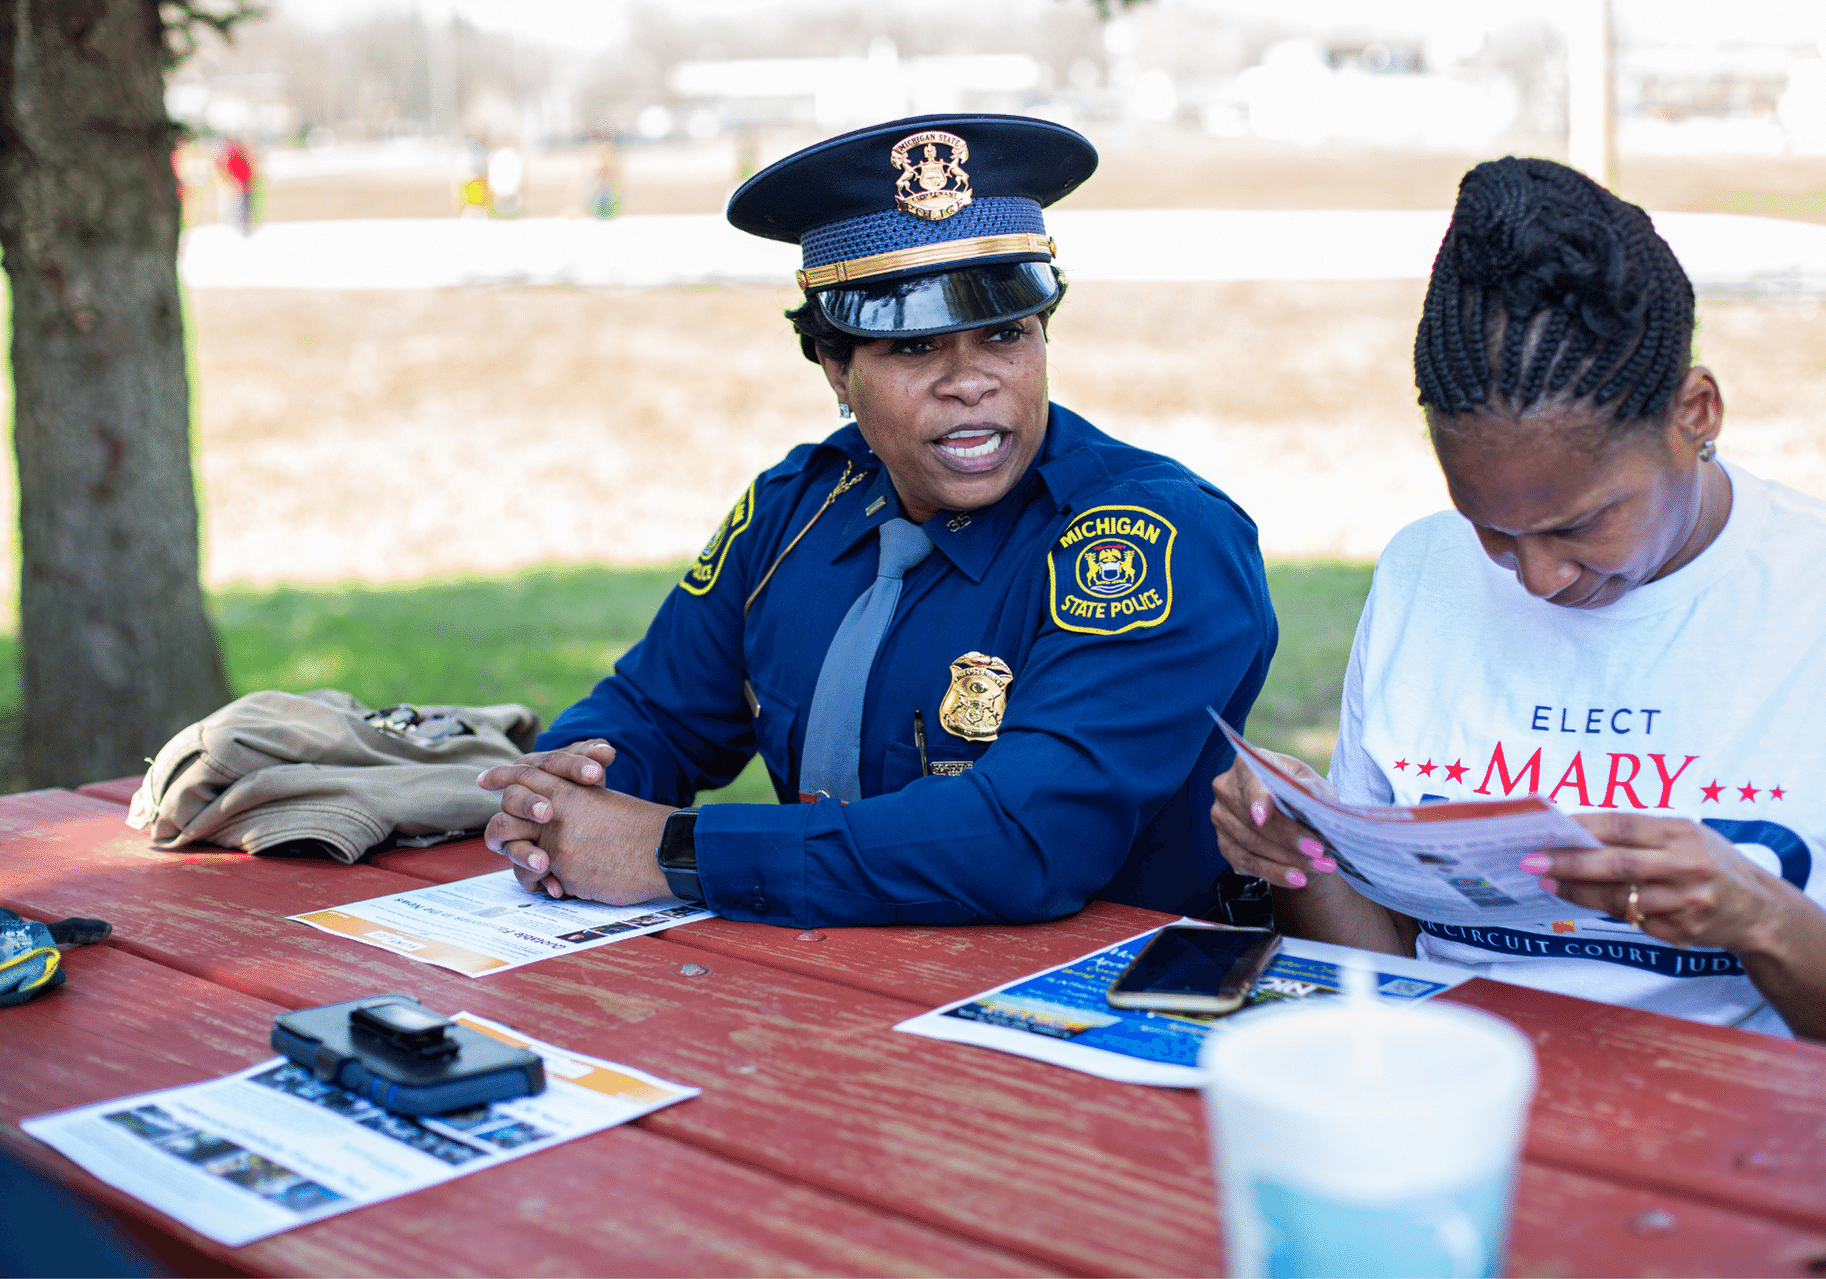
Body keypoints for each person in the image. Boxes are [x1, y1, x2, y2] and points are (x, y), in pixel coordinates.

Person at [480, 114, 1279, 928]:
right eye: (913, 348)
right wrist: (566, 792)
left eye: (1006, 333)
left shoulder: (1150, 540)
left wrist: (674, 851)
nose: (970, 381)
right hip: (831, 991)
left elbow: (1023, 841)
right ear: (835, 366)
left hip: (1098, 1011)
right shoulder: (798, 505)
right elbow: (653, 709)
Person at [1211, 157, 1826, 1056]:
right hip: (1453, 1093)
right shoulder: (1423, 569)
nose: (1538, 578)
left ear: (1695, 411)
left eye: (1583, 524)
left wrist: (1760, 917)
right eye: (1492, 530)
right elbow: (1385, 966)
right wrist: (1295, 856)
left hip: (1743, 1129)